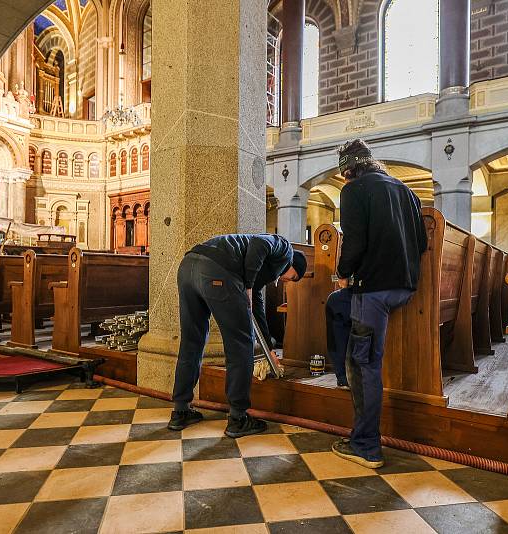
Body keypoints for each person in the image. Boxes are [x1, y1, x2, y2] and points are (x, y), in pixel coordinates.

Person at [330, 138, 427, 469]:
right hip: (405, 287)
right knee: (351, 338)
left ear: (349, 170)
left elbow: (354, 242)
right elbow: (423, 243)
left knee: (363, 364)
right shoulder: (406, 192)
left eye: (343, 174)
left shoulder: (354, 191)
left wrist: (343, 274)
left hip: (372, 291)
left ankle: (366, 445)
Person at [168, 234, 307, 438]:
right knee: (240, 345)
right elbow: (260, 245)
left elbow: (256, 306)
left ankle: (180, 411)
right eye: (294, 277)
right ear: (294, 264)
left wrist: (268, 348)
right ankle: (238, 418)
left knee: (191, 341)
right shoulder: (285, 249)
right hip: (216, 270)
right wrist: (248, 286)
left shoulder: (263, 268)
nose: (288, 281)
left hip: (188, 267)